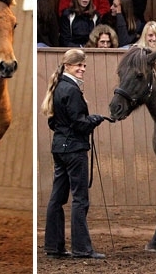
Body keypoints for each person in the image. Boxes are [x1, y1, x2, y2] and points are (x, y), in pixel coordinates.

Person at [41, 48, 107, 260]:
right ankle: (81, 248)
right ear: (67, 65)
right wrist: (95, 120)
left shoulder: (58, 87)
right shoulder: (71, 90)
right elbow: (80, 124)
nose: (82, 69)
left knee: (57, 198)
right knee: (80, 199)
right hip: (74, 150)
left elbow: (53, 122)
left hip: (59, 148)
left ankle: (54, 246)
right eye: (79, 65)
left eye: (84, 65)